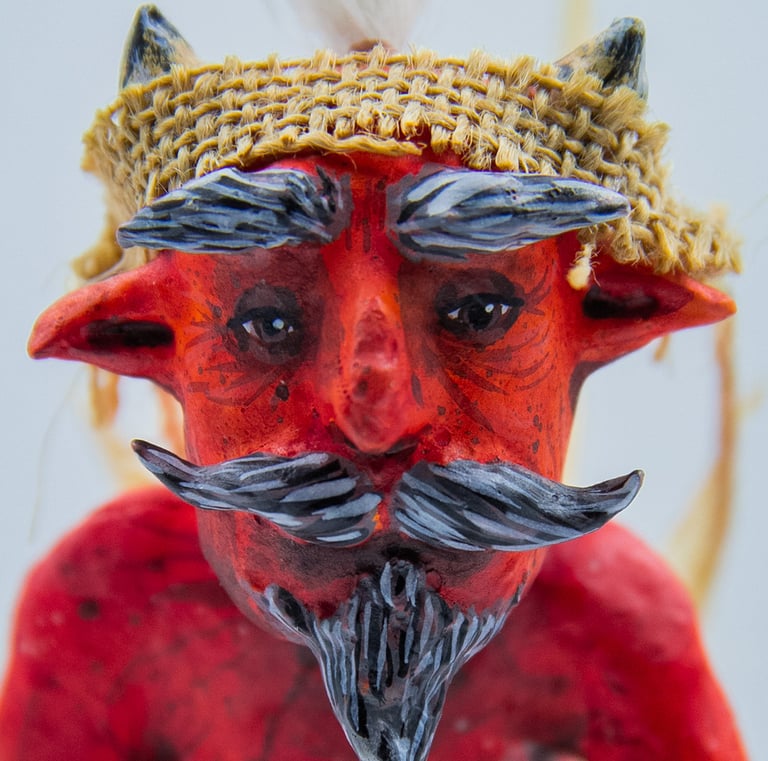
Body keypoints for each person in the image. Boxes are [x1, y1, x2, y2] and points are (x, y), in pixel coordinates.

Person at [0, 6, 746, 760]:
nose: (378, 420)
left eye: (478, 311)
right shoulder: (110, 612)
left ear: (618, 314)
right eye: (267, 325)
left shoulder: (615, 628)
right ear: (141, 337)